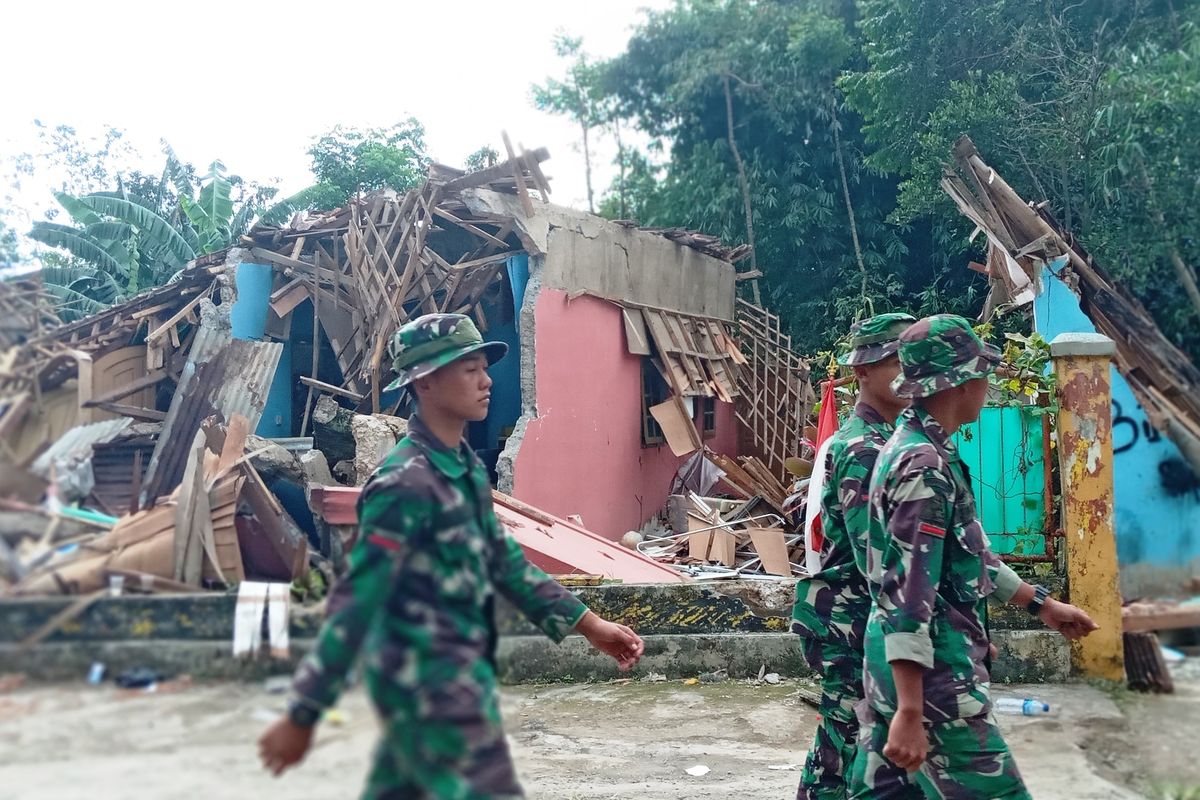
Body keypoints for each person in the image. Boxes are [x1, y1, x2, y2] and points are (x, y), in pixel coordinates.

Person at [258, 313, 645, 799]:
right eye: (470, 370)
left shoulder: (461, 469)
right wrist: (303, 714)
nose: (487, 382)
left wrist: (590, 626)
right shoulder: (404, 484)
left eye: (484, 367)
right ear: (425, 382)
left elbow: (505, 563)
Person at [851, 314, 1098, 799]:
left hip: (900, 674)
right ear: (962, 382)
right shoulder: (923, 467)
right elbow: (909, 595)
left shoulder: (913, 448)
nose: (987, 385)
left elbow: (969, 554)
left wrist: (1041, 604)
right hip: (934, 689)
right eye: (982, 373)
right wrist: (910, 711)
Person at [791, 313, 923, 800]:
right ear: (862, 372)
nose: (906, 376)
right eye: (893, 364)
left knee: (844, 739)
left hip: (854, 616)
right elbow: (881, 561)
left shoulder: (885, 441)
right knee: (850, 738)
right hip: (851, 619)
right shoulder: (862, 448)